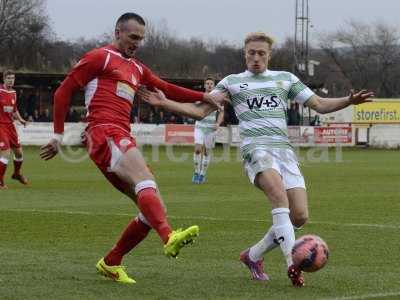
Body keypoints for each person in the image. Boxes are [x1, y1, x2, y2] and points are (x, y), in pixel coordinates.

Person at [138, 32, 374, 287]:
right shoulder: (232, 82)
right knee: (279, 198)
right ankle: (292, 265)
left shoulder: (285, 79)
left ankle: (252, 256)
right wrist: (166, 103)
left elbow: (319, 104)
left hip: (284, 151)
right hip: (255, 149)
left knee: (299, 217)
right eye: (251, 52)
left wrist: (349, 101)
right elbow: (199, 111)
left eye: (261, 53)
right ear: (245, 54)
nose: (256, 57)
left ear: (269, 55)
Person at [39, 12, 225, 284]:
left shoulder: (137, 68)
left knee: (150, 207)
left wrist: (204, 96)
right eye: (132, 37)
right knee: (146, 181)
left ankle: (111, 262)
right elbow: (62, 92)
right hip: (104, 131)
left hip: (117, 135)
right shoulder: (99, 57)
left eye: (141, 39)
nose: (136, 43)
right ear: (117, 32)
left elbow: (164, 87)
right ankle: (169, 236)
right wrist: (57, 136)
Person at [192, 77, 224, 184]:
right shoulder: (199, 97)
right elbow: (194, 109)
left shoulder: (218, 98)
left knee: (207, 152)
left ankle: (202, 174)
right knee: (197, 149)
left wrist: (218, 123)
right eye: (207, 83)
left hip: (211, 128)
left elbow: (221, 112)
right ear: (205, 85)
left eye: (211, 83)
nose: (209, 85)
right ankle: (196, 173)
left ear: (214, 86)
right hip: (200, 126)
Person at [0, 69, 28, 189]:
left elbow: (14, 109)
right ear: (4, 79)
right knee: (5, 153)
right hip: (0, 125)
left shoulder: (14, 93)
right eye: (9, 78)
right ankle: (0, 181)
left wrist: (20, 119)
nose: (11, 81)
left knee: (19, 153)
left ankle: (16, 174)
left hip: (10, 126)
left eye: (13, 78)